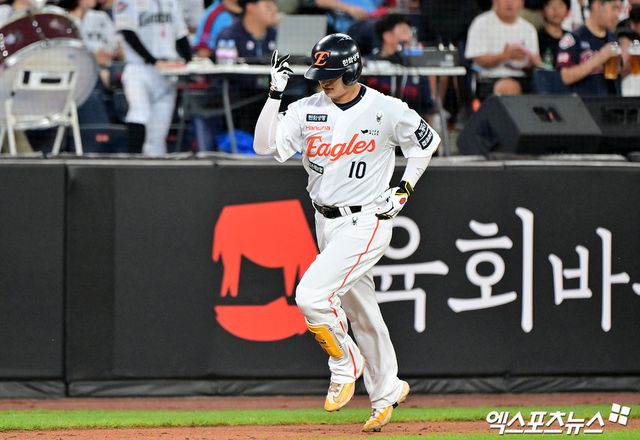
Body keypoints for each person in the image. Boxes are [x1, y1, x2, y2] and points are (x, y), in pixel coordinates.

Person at [253, 34, 440, 432]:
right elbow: (263, 146)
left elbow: (426, 142)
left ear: (352, 71)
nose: (324, 81)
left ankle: (345, 363)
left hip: (367, 219)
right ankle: (387, 390)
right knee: (361, 311)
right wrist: (274, 95)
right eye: (320, 74)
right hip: (326, 221)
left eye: (332, 74)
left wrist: (404, 188)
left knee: (311, 296)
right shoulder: (306, 109)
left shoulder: (385, 108)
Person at [114, 0, 192, 155]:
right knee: (139, 113)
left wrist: (189, 61)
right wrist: (153, 60)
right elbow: (128, 32)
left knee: (158, 133)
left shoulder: (172, 2)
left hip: (167, 72)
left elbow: (181, 34)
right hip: (139, 68)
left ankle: (155, 168)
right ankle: (132, 162)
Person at [465, 0, 543, 98]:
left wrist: (532, 62)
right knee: (509, 87)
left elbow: (533, 65)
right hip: (489, 78)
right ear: (495, 1)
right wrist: (504, 56)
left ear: (522, 3)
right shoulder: (481, 23)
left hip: (523, 79)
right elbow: (478, 59)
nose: (509, 3)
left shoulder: (529, 29)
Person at [365, 14, 433, 118]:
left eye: (410, 32)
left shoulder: (417, 68)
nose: (409, 37)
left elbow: (427, 107)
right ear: (387, 36)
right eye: (403, 31)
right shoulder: (367, 65)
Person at [557, 0, 624, 95]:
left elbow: (617, 75)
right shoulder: (574, 38)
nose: (617, 14)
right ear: (597, 5)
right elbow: (565, 77)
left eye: (619, 9)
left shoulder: (613, 39)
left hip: (612, 102)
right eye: (614, 8)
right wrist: (599, 58)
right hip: (584, 102)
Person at [539, 0, 570, 68]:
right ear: (542, 11)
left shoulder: (572, 38)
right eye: (550, 5)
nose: (556, 10)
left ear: (568, 12)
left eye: (560, 5)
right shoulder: (536, 37)